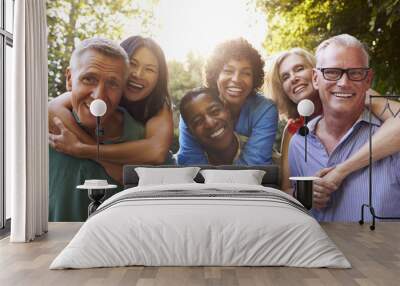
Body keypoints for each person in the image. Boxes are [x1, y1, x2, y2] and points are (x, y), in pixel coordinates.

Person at [288, 34, 400, 222]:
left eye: (355, 73)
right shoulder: (299, 143)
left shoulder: (392, 139)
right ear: (315, 78)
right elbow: (295, 202)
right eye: (332, 72)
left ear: (368, 80)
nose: (343, 83)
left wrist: (340, 172)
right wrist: (303, 195)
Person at [266, 47, 400, 195]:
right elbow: (287, 188)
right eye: (285, 77)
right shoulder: (294, 130)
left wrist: (341, 171)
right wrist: (308, 193)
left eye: (299, 69)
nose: (293, 78)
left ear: (317, 74)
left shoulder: (353, 93)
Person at [49, 36, 174, 184]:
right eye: (133, 64)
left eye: (150, 69)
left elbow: (156, 152)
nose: (138, 74)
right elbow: (52, 109)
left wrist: (82, 149)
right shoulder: (96, 95)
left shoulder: (158, 106)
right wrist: (104, 161)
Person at [49, 37, 145, 222]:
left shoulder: (141, 136)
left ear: (123, 89)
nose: (99, 95)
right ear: (70, 79)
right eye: (88, 79)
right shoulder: (39, 125)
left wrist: (82, 149)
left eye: (112, 83)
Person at [177, 38, 278, 165]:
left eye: (246, 73)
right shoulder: (193, 107)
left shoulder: (264, 109)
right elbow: (191, 161)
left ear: (254, 79)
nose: (236, 79)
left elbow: (253, 163)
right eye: (228, 71)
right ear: (216, 75)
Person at [180, 87, 240, 165]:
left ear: (227, 110)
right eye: (198, 121)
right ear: (191, 132)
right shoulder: (184, 167)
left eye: (215, 111)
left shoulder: (258, 147)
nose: (210, 124)